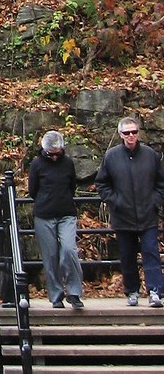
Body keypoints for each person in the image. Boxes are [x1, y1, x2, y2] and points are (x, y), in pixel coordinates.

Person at [95, 115, 164, 307]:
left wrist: (155, 202)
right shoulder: (111, 156)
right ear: (120, 135)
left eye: (134, 132)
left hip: (147, 214)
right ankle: (132, 291)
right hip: (123, 216)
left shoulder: (150, 155)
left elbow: (161, 183)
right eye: (127, 133)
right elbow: (102, 183)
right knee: (127, 255)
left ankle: (155, 291)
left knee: (151, 253)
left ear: (139, 133)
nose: (131, 136)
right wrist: (115, 201)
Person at [28, 130, 84, 308]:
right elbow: (32, 190)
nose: (53, 157)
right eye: (50, 154)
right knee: (50, 255)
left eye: (57, 153)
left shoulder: (67, 163)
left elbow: (72, 185)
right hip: (44, 214)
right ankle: (56, 295)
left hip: (66, 213)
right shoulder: (37, 164)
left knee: (69, 250)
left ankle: (74, 292)